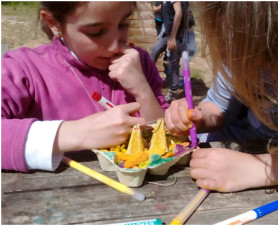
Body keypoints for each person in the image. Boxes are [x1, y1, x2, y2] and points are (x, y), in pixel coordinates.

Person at [2, 2, 168, 172]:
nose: (114, 46)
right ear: (53, 22)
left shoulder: (138, 63)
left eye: (123, 24)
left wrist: (143, 91)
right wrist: (76, 133)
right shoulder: (23, 69)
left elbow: (164, 137)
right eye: (95, 32)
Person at [164, 2, 278, 192]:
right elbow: (218, 106)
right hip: (233, 148)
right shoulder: (237, 49)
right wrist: (196, 115)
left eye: (259, 53)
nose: (242, 63)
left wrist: (259, 169)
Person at [150, 1, 194, 103]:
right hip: (168, 35)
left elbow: (178, 13)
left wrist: (173, 37)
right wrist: (158, 9)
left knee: (172, 63)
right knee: (155, 50)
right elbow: (167, 5)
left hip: (176, 36)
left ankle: (173, 92)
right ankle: (147, 78)